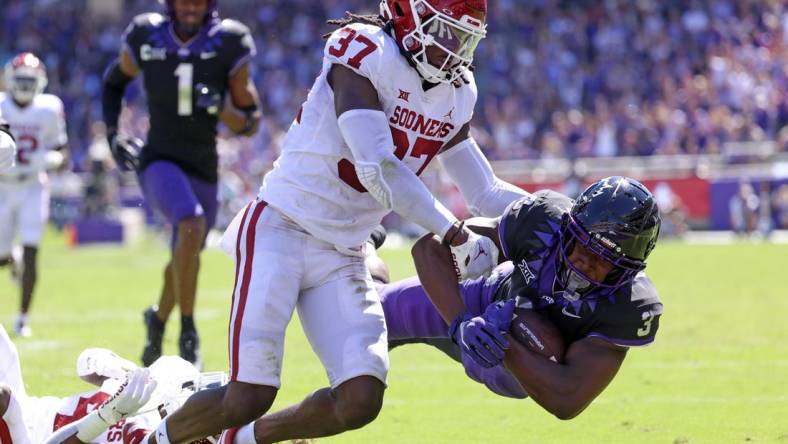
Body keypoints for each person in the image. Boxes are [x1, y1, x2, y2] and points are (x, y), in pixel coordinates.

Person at [145, 1, 528, 443]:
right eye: (444, 33)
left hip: (344, 249)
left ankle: (238, 440)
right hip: (283, 226)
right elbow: (377, 166)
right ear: (407, 15)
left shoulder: (456, 92)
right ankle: (150, 439)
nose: (453, 50)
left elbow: (485, 192)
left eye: (464, 39)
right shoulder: (366, 49)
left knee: (360, 399)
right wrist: (454, 232)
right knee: (248, 395)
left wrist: (570, 217)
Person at [381, 176, 663, 418]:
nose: (586, 262)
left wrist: (504, 344)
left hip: (522, 367)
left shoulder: (630, 306)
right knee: (370, 315)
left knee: (530, 328)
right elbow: (430, 248)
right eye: (583, 245)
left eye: (606, 260)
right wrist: (461, 322)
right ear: (568, 227)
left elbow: (567, 400)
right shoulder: (544, 220)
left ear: (628, 270)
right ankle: (368, 259)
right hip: (485, 297)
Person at [101, 0, 262, 367]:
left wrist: (221, 106)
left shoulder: (229, 41)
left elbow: (249, 121)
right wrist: (113, 134)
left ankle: (157, 321)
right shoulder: (147, 34)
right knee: (189, 225)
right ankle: (188, 334)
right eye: (184, 0)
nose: (191, 7)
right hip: (159, 158)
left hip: (203, 164)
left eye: (198, 1)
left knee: (186, 250)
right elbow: (114, 82)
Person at [0, 325, 224, 444]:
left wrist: (105, 416)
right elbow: (86, 363)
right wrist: (117, 367)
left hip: (28, 436)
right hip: (30, 408)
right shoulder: (149, 389)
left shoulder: (142, 434)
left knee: (3, 397)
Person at [0, 52, 69, 337]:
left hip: (32, 185)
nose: (26, 85)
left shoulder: (50, 108)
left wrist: (51, 160)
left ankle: (22, 318)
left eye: (31, 80)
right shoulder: (1, 106)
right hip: (3, 184)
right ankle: (9, 258)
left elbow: (63, 152)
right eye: (21, 79)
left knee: (32, 250)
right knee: (1, 256)